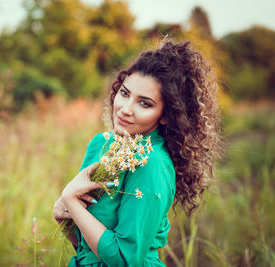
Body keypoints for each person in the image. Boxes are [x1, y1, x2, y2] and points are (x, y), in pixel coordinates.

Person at [53, 39, 222, 266]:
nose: (125, 109)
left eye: (144, 103)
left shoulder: (152, 162)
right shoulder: (100, 144)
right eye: (125, 93)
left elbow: (125, 260)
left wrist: (70, 201)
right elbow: (86, 247)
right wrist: (61, 217)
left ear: (165, 114)